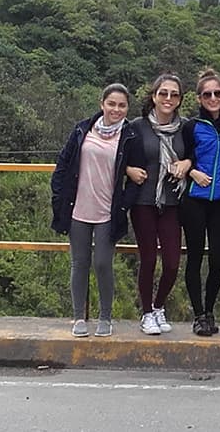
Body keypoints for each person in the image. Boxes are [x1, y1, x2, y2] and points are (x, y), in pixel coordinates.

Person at [51, 83, 140, 338]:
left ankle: (105, 317)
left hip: (108, 210)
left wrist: (124, 203)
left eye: (122, 105)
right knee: (79, 263)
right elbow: (63, 162)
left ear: (127, 109)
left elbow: (138, 175)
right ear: (102, 104)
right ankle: (79, 317)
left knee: (102, 263)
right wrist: (58, 195)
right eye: (111, 103)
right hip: (77, 206)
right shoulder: (82, 129)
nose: (116, 109)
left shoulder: (130, 135)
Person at [127, 73, 190, 335]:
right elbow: (118, 156)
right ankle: (146, 314)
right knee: (149, 258)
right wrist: (128, 170)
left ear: (180, 100)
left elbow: (196, 155)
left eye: (174, 94)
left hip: (173, 202)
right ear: (153, 96)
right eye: (163, 93)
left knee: (173, 262)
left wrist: (188, 164)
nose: (168, 98)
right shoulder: (137, 126)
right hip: (143, 201)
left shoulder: (186, 127)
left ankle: (159, 305)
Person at [181, 69, 220, 336]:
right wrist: (192, 171)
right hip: (194, 199)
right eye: (207, 94)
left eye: (218, 93)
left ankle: (210, 310)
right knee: (194, 257)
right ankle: (198, 314)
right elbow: (178, 157)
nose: (213, 98)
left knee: (217, 259)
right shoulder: (191, 126)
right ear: (199, 98)